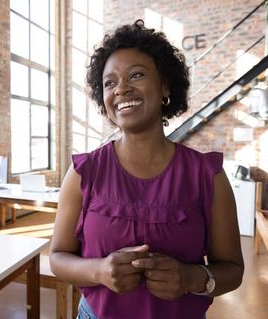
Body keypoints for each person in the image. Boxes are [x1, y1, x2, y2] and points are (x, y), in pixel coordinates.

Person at [49, 20, 243, 319]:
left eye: (136, 75)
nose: (121, 88)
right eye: (109, 82)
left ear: (165, 85)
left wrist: (191, 277)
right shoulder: (83, 172)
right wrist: (99, 271)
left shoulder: (208, 175)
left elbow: (232, 270)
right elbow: (58, 258)